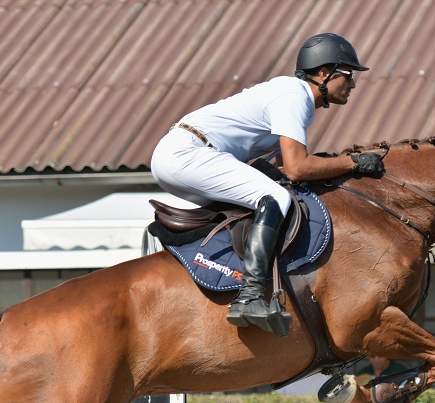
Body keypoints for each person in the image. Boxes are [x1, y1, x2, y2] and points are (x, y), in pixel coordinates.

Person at [150, 33, 385, 336]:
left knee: (266, 198)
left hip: (182, 156)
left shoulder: (297, 101)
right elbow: (298, 167)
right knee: (274, 198)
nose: (353, 83)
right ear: (324, 73)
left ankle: (223, 272)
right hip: (187, 152)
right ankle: (249, 296)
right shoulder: (293, 95)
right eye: (348, 75)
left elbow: (281, 168)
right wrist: (353, 163)